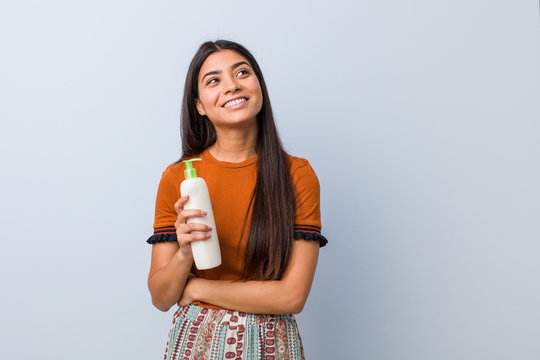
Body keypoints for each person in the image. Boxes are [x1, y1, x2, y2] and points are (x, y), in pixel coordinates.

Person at [146, 39, 328, 360]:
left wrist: (198, 289)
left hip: (271, 345)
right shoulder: (179, 178)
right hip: (196, 344)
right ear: (199, 105)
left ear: (258, 86)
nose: (231, 86)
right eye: (213, 80)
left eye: (242, 73)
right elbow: (161, 297)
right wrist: (184, 253)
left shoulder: (297, 174)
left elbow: (292, 296)